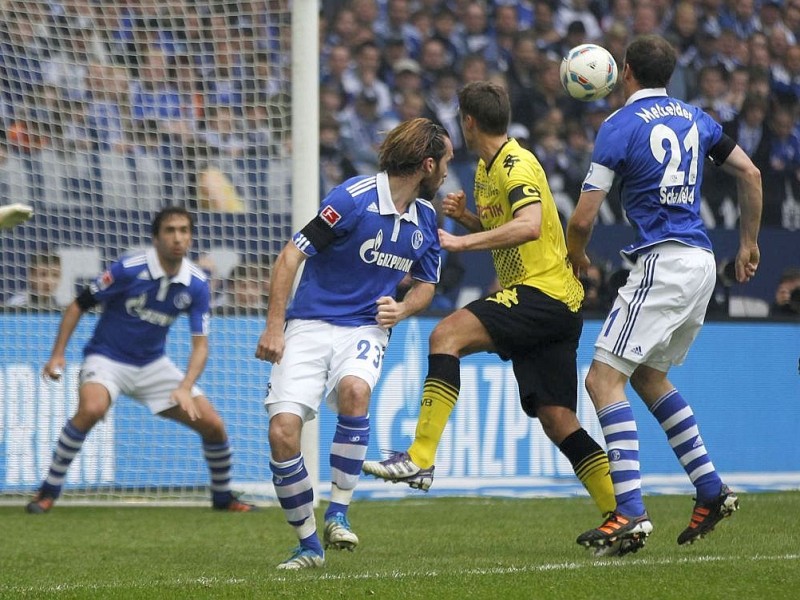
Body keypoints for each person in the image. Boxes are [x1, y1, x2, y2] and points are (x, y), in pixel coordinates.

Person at [362, 81, 616, 534]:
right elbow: (508, 226)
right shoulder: (487, 167)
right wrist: (469, 220)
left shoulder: (515, 164)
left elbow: (530, 225)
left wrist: (462, 240)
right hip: (556, 302)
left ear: (468, 121)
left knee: (446, 335)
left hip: (542, 292)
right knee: (558, 420)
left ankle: (419, 458)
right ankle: (622, 514)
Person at [566, 34, 762, 555]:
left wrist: (576, 257)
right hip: (700, 262)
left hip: (663, 261)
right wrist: (747, 243)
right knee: (650, 377)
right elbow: (750, 171)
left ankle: (629, 511)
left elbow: (584, 216)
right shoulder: (695, 117)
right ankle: (711, 488)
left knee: (602, 379)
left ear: (624, 72)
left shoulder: (618, 126)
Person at [254, 117, 453, 570]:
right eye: (445, 163)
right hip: (307, 324)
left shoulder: (425, 219)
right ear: (426, 164)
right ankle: (308, 544)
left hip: (365, 327)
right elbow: (291, 255)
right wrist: (274, 326)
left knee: (355, 392)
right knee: (282, 433)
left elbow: (425, 285)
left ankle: (339, 512)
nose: (446, 173)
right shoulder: (351, 199)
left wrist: (402, 310)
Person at [27, 206, 257, 514]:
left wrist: (186, 386)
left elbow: (201, 346)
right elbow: (77, 305)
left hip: (152, 365)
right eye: (170, 230)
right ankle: (48, 491)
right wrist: (57, 355)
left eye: (184, 231)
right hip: (107, 358)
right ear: (156, 237)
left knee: (214, 425)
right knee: (92, 408)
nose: (178, 238)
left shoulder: (197, 283)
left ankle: (222, 497)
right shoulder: (128, 269)